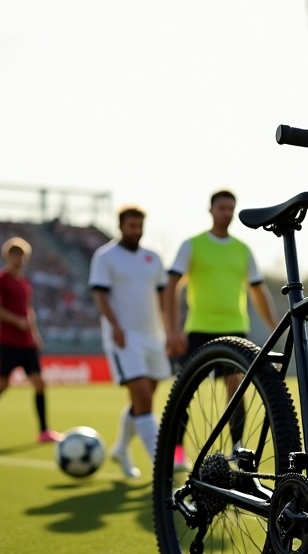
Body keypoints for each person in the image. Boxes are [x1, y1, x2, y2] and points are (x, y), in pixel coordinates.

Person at [163, 190, 279, 460]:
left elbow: (259, 292)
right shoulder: (192, 245)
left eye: (231, 208)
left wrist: (275, 327)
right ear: (211, 210)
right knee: (185, 392)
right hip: (199, 329)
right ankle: (178, 450)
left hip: (235, 330)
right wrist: (172, 329)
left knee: (236, 390)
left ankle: (237, 446)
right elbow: (171, 286)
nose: (226, 213)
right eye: (222, 208)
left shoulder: (242, 250)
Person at [89, 206, 169, 479]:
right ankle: (163, 471)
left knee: (144, 399)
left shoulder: (153, 258)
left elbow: (162, 298)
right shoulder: (105, 257)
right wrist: (115, 326)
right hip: (125, 338)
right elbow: (99, 295)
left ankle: (121, 448)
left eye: (139, 226)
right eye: (131, 226)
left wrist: (169, 331)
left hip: (154, 338)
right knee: (144, 398)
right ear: (121, 226)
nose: (136, 231)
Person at [0, 238, 61, 448]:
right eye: (15, 255)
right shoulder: (0, 279)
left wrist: (35, 334)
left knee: (39, 383)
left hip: (27, 343)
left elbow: (28, 310)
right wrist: (16, 321)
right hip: (8, 342)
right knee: (2, 384)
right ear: (7, 256)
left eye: (22, 256)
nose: (19, 260)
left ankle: (44, 431)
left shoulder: (25, 283)